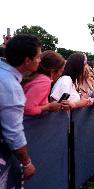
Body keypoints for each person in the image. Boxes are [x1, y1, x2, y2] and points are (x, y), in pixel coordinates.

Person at [0, 34, 40, 183]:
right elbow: (13, 132)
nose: (40, 60)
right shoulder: (11, 85)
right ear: (27, 60)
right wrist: (27, 163)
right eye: (38, 57)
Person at [22, 50, 65, 116]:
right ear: (52, 71)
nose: (61, 75)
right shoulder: (44, 81)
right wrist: (49, 107)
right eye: (61, 71)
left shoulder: (31, 76)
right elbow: (28, 109)